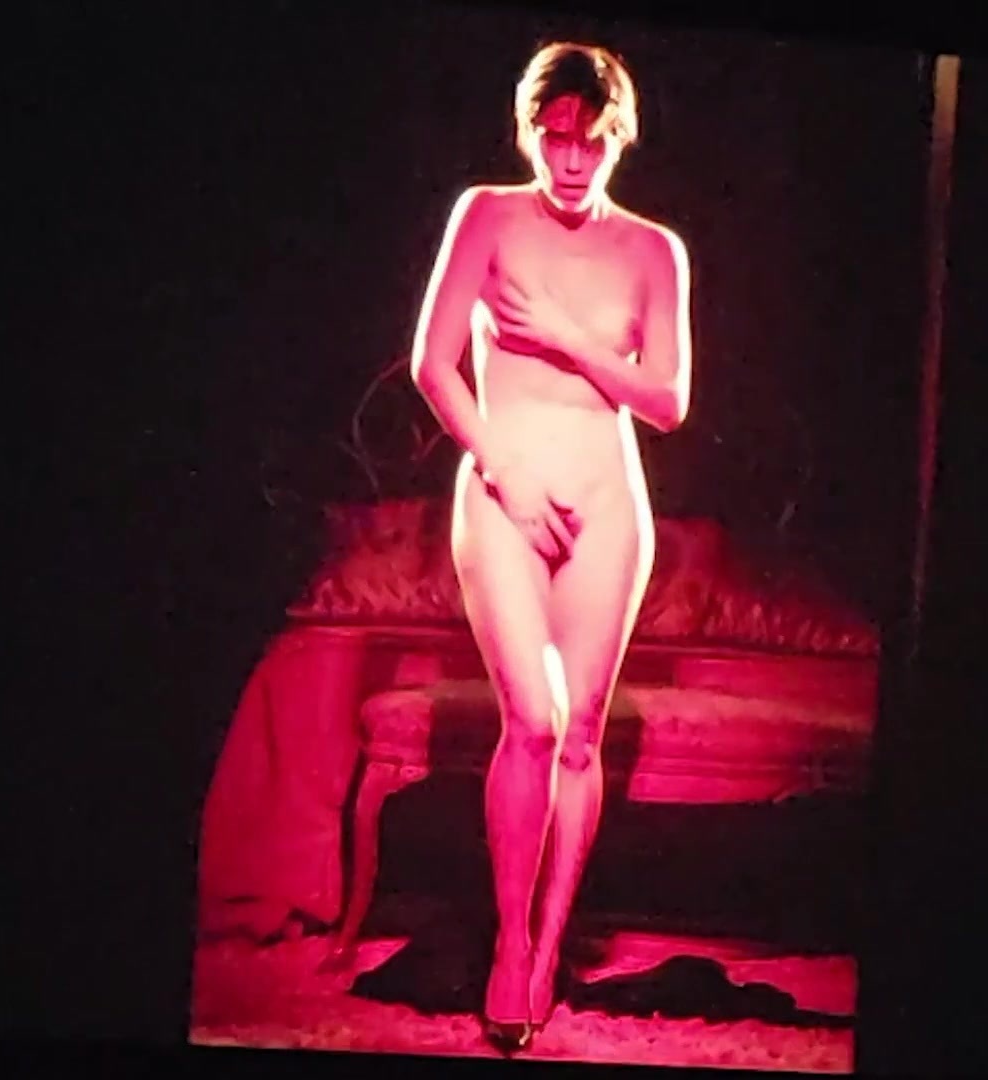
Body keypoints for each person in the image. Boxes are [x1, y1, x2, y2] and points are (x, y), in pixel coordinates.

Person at [407, 40, 694, 1053]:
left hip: (609, 502)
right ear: (529, 130)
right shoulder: (486, 215)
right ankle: (509, 936)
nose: (573, 161)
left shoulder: (654, 251)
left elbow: (668, 400)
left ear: (621, 138)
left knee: (580, 738)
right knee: (533, 718)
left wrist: (570, 337)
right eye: (555, 137)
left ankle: (544, 949)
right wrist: (504, 469)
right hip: (506, 489)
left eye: (594, 140)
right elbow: (432, 364)